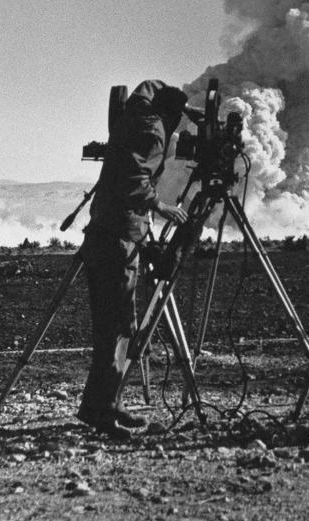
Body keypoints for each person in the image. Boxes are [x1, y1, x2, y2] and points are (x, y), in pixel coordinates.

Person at [76, 79, 198, 440]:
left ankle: (106, 403)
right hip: (119, 234)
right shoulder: (153, 131)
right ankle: (101, 410)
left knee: (116, 324)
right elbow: (133, 178)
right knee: (117, 324)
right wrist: (160, 206)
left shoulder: (134, 120)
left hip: (112, 231)